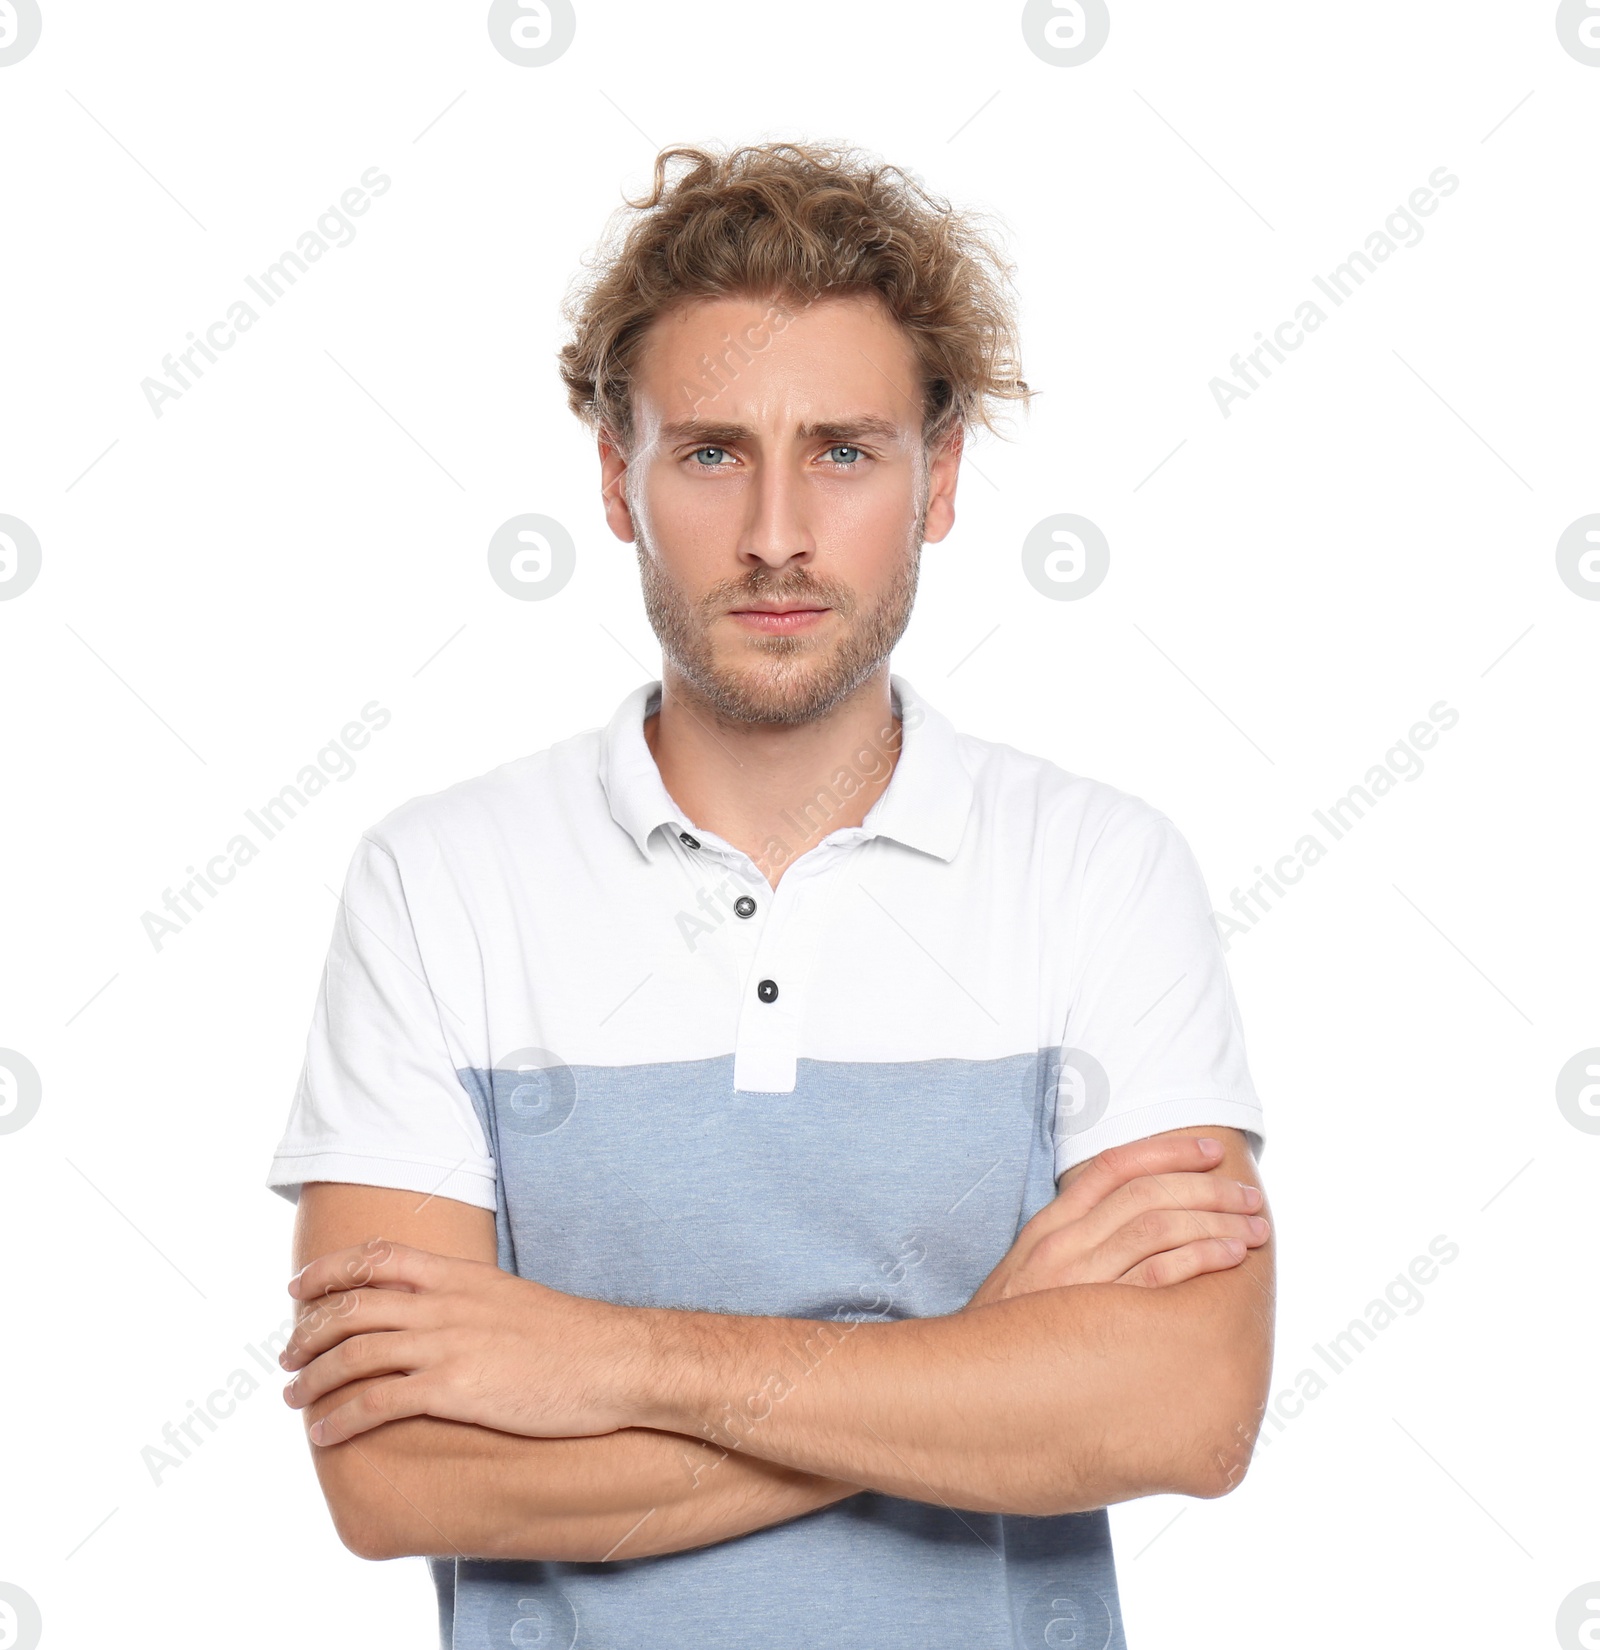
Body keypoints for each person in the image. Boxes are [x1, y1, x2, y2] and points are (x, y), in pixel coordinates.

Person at [267, 141, 1273, 1650]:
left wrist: (604, 1361)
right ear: (618, 478)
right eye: (714, 451)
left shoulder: (1101, 871)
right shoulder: (441, 882)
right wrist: (978, 1363)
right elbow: (394, 1473)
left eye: (848, 452)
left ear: (939, 481)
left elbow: (1185, 1411)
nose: (780, 536)